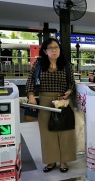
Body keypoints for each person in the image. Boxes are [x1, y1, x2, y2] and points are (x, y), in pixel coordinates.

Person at [25, 38, 76, 173]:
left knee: (65, 131)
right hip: (45, 101)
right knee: (47, 133)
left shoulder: (66, 65)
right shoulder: (39, 65)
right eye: (50, 48)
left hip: (62, 101)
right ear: (45, 51)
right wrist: (31, 95)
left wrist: (68, 92)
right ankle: (51, 160)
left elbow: (71, 83)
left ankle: (64, 160)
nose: (54, 50)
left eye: (56, 47)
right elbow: (30, 80)